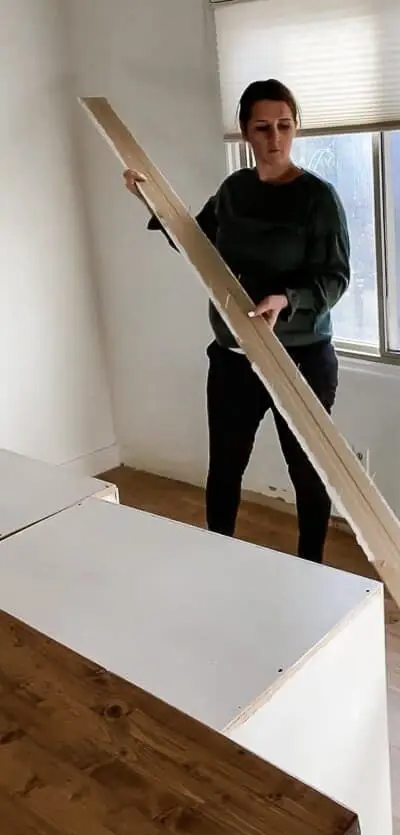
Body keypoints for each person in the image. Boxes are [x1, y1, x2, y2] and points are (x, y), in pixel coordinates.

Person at [123, 79, 351, 564]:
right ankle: (218, 562)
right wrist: (150, 200)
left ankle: (312, 571)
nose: (275, 138)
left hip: (300, 360)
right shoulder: (234, 191)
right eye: (263, 128)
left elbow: (335, 278)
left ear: (296, 128)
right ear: (246, 132)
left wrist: (285, 299)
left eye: (284, 126)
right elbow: (195, 244)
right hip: (233, 359)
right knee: (225, 469)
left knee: (308, 474)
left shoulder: (318, 198)